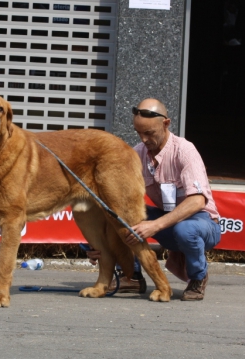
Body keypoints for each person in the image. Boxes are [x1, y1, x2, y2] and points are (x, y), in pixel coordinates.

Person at [87, 98, 221, 301]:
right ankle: (130, 276)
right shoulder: (137, 154)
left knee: (185, 230)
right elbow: (117, 198)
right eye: (138, 133)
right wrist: (97, 243)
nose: (143, 139)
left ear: (166, 124)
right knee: (118, 215)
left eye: (149, 133)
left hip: (201, 222)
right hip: (167, 221)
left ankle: (197, 278)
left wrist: (154, 225)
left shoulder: (184, 151)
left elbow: (197, 201)